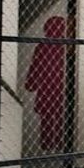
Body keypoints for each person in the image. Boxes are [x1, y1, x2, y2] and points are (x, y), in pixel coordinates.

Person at [24, 16, 66, 151]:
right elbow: (36, 65)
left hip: (46, 88)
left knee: (47, 118)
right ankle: (58, 144)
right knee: (59, 117)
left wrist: (30, 83)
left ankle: (47, 144)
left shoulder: (42, 47)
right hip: (60, 87)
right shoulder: (66, 46)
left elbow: (35, 67)